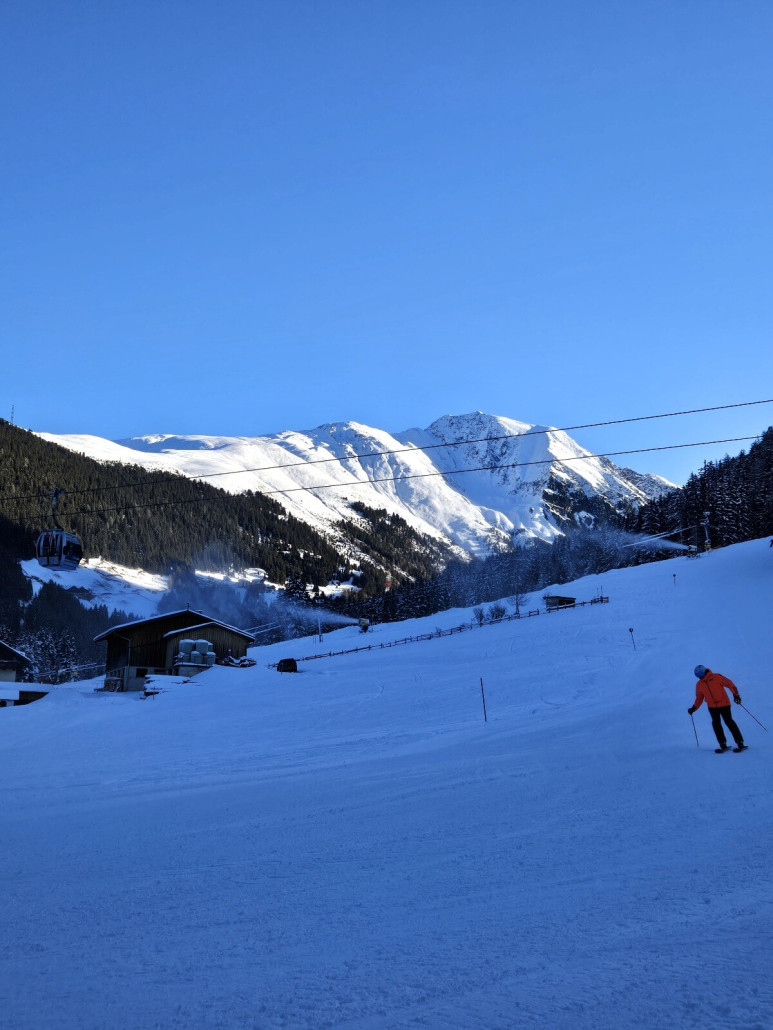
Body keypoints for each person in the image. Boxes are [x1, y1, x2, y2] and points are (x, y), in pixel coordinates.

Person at [688, 665, 747, 753]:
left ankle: (740, 743)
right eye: (697, 675)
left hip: (724, 704)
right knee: (716, 724)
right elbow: (699, 698)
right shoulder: (699, 684)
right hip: (712, 707)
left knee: (729, 722)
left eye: (700, 674)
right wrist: (694, 708)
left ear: (704, 671)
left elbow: (730, 684)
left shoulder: (716, 677)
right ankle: (722, 744)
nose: (699, 677)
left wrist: (736, 695)